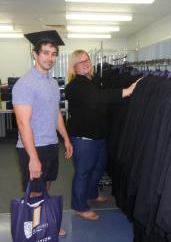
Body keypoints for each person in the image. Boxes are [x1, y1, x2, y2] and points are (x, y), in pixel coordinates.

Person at [65, 49, 142, 221]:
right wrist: (127, 91)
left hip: (99, 135)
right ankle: (79, 206)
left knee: (99, 167)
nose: (85, 63)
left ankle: (92, 193)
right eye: (80, 62)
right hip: (84, 138)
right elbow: (98, 97)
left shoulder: (94, 80)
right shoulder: (75, 86)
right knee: (83, 172)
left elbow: (107, 91)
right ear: (74, 67)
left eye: (87, 60)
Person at [12, 30, 73, 237]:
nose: (50, 58)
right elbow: (22, 123)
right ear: (35, 54)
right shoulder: (25, 84)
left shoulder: (53, 83)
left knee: (45, 186)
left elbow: (55, 113)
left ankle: (44, 222)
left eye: (53, 53)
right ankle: (35, 231)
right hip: (33, 147)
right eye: (45, 53)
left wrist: (65, 138)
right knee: (35, 191)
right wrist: (33, 158)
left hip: (50, 144)